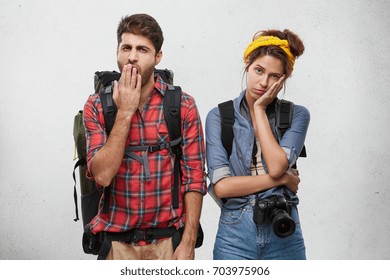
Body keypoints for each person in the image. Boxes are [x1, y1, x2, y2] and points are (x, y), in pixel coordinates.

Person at [83, 14, 207, 260]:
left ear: (158, 56)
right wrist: (125, 112)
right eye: (126, 47)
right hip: (116, 245)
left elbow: (194, 178)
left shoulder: (183, 105)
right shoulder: (97, 105)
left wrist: (188, 242)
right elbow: (103, 176)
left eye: (142, 49)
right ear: (117, 51)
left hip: (168, 244)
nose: (132, 56)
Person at [205, 29, 310, 260]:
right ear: (247, 65)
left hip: (284, 228)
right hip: (235, 234)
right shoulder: (219, 116)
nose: (264, 82)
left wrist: (259, 109)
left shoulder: (297, 115)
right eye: (259, 70)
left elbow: (275, 165)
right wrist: (283, 179)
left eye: (274, 76)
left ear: (284, 79)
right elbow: (222, 187)